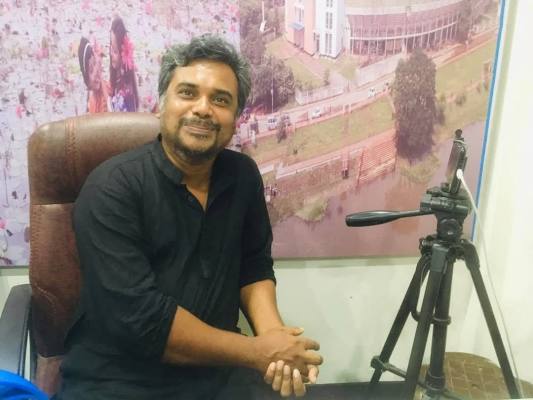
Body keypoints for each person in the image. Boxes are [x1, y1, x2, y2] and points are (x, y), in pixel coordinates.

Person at [54, 35, 322, 400]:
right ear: (160, 105)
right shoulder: (111, 188)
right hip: (117, 378)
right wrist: (259, 352)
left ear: (236, 119)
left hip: (219, 373)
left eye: (221, 100)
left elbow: (253, 267)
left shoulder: (242, 176)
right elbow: (144, 321)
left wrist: (275, 343)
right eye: (187, 93)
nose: (203, 109)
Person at [109, 16, 139, 111]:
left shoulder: (127, 92)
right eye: (110, 48)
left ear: (123, 56)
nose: (111, 54)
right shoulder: (117, 80)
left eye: (115, 51)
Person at [78, 37, 110, 113]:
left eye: (98, 66)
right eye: (91, 70)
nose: (97, 75)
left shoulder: (110, 90)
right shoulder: (91, 102)